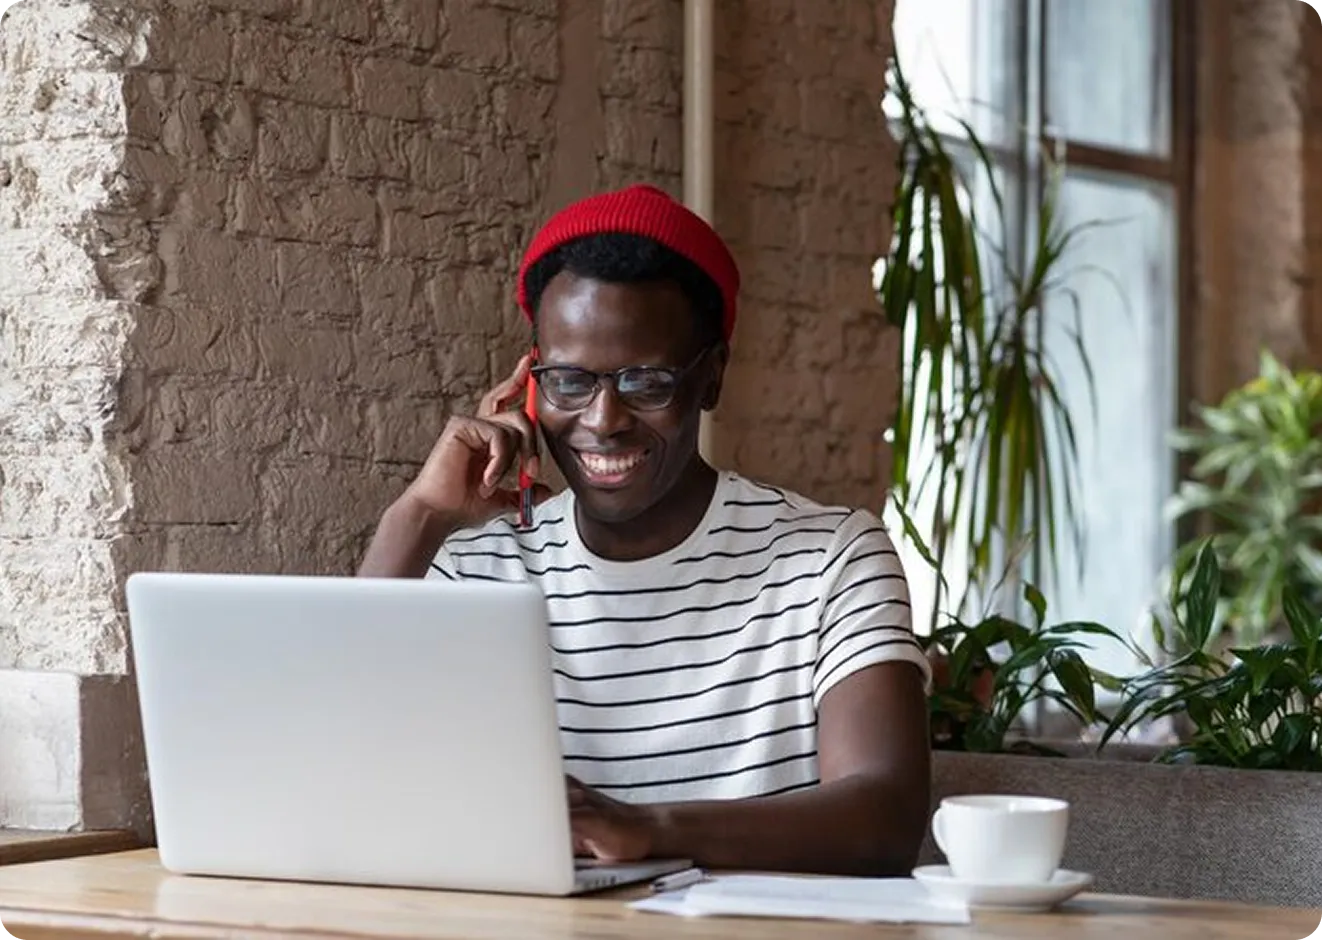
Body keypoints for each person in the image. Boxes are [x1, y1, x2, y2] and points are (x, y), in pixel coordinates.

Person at [359, 184, 931, 876]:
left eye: (646, 381)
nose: (603, 420)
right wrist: (417, 516)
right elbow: (341, 771)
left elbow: (885, 816)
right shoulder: (476, 569)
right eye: (568, 381)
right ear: (529, 383)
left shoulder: (829, 560)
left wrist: (644, 827)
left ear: (711, 377)